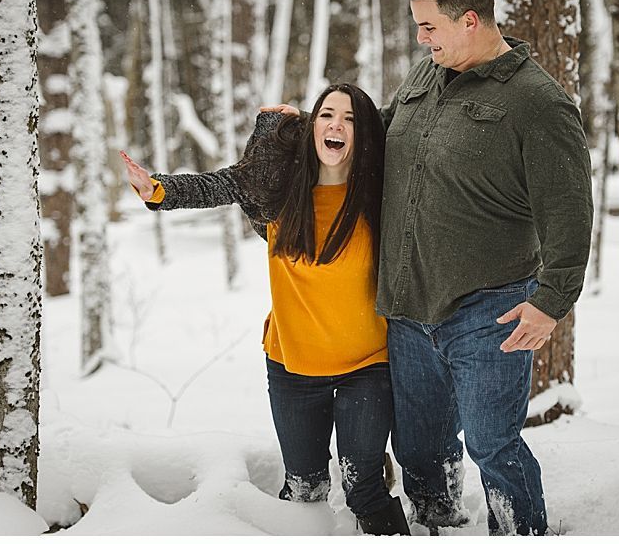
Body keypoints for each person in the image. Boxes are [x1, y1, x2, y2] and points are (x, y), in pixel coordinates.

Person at [267, 0, 593, 536]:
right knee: (419, 447)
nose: (421, 38)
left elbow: (568, 210)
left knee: (493, 443)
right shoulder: (425, 76)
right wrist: (309, 130)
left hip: (490, 309)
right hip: (410, 305)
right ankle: (438, 525)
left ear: (470, 20)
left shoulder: (536, 102)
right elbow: (375, 138)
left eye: (428, 27)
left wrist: (552, 301)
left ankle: (521, 531)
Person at [120, 84, 409, 536]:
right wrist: (158, 189)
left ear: (364, 133)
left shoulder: (379, 198)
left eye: (350, 119)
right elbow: (223, 183)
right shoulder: (281, 193)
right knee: (304, 488)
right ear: (312, 126)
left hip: (366, 365)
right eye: (327, 114)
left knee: (363, 489)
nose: (337, 125)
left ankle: (372, 474)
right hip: (292, 365)